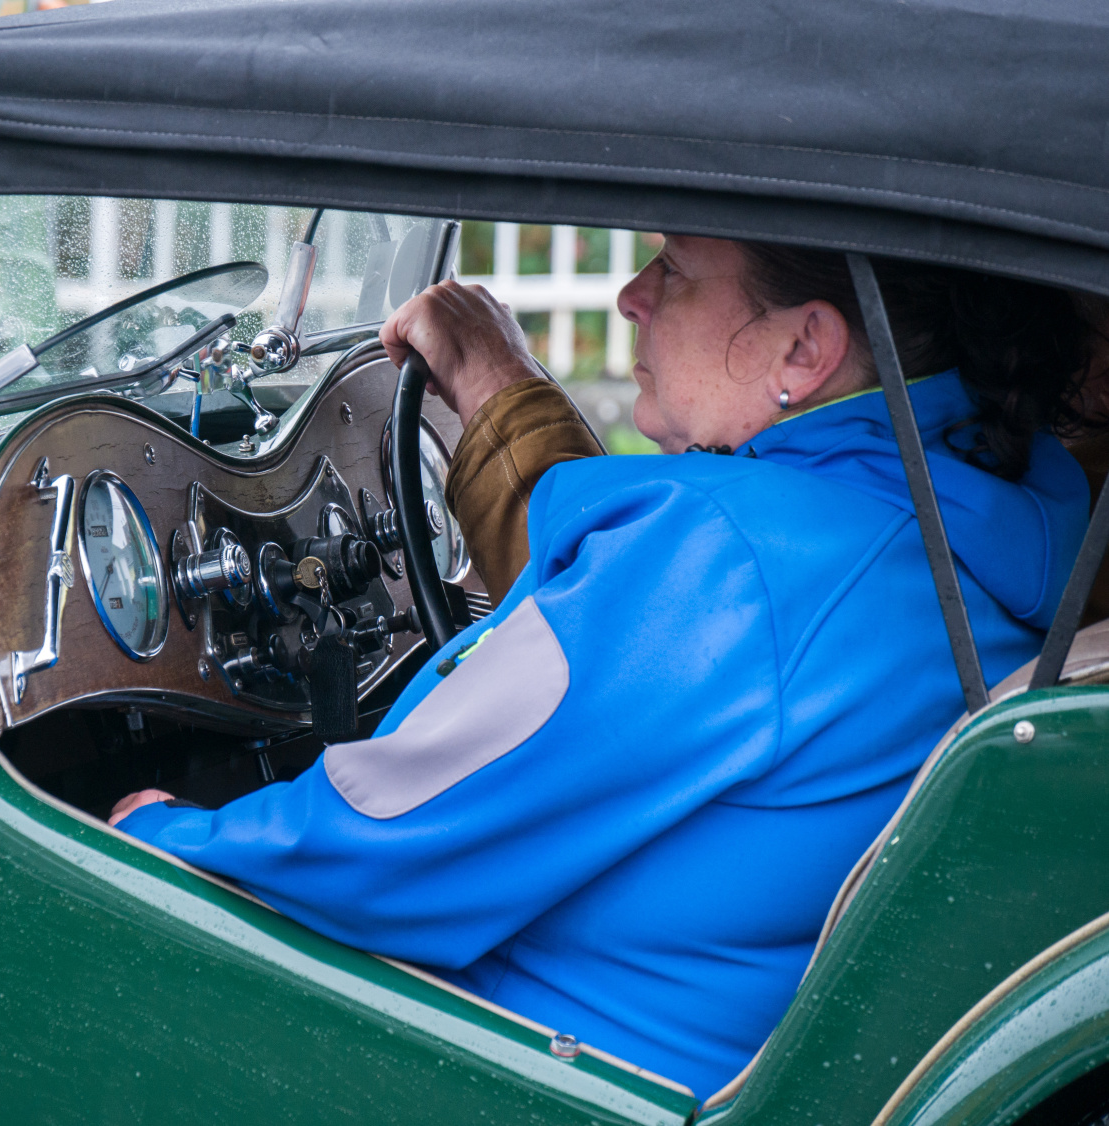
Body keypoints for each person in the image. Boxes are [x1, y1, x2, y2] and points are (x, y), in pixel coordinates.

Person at [109, 235, 1095, 1097]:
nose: (632, 294)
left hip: (549, 1072)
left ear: (804, 348)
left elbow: (380, 843)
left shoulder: (733, 555)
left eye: (677, 269)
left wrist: (157, 833)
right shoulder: (985, 522)